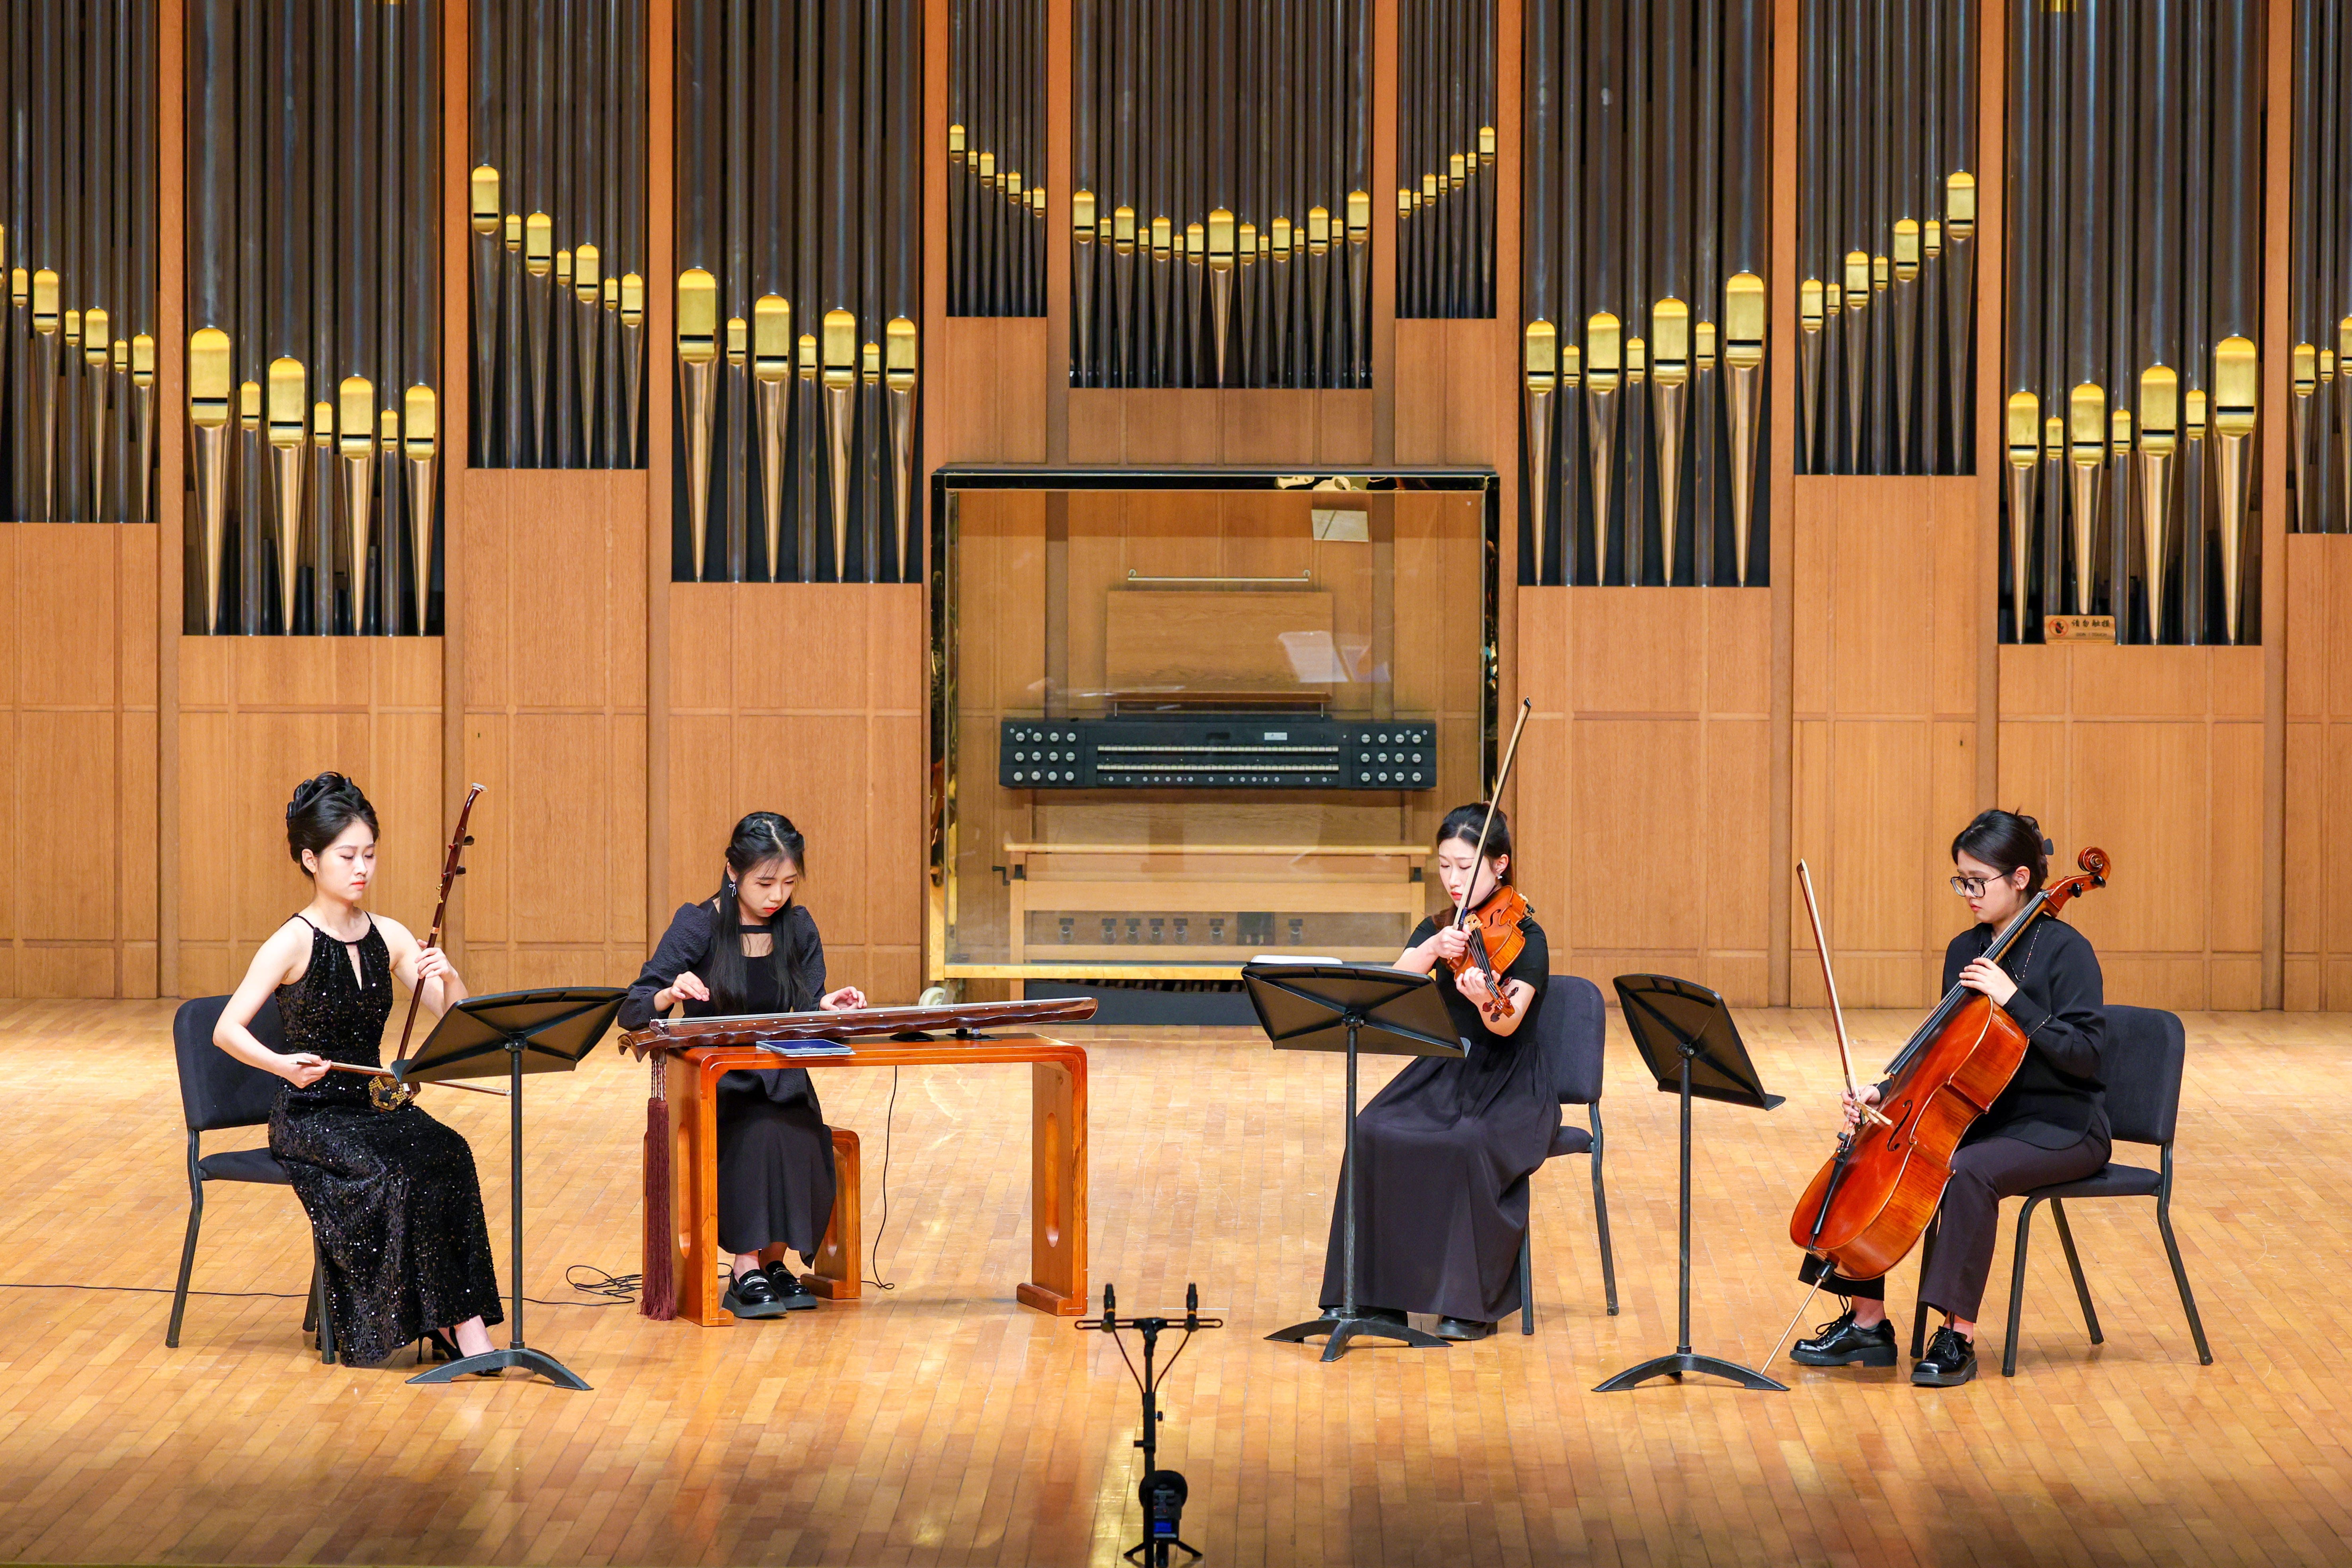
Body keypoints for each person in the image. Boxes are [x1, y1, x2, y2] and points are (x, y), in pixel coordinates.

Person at [1792, 808, 2109, 1387]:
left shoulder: (2068, 951)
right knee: (1871, 1148)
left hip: (2061, 1125)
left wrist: (2014, 999)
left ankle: (1955, 1335)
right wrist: (1884, 1091)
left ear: (2020, 878)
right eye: (1961, 881)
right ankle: (1868, 1323)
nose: (1968, 894)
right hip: (1983, 1114)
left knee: (1966, 1172)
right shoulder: (1966, 947)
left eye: (1977, 882)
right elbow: (1944, 1049)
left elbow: (2086, 1055)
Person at [212, 773, 504, 1371]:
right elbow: (226, 1030)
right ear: (311, 860)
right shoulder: (291, 942)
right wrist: (281, 1065)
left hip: (373, 1104)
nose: (362, 868)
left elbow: (455, 1019)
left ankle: (454, 1318)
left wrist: (449, 975)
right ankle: (452, 1325)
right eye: (347, 857)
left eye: (369, 854)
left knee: (450, 1151)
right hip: (311, 1114)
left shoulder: (389, 936)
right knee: (393, 1171)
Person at [1316, 803, 1556, 1341]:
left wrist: (1484, 998)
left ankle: (1469, 1304)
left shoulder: (1527, 937)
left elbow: (1506, 1023)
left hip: (1510, 1082)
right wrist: (1428, 948)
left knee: (1466, 1142)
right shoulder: (1440, 927)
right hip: (1444, 1069)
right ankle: (1373, 1297)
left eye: (1465, 867)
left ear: (1500, 865)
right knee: (1371, 1129)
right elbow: (1392, 989)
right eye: (1445, 866)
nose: (1453, 879)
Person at [621, 812, 865, 1319]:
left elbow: (806, 1005)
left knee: (802, 1131)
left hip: (782, 1078)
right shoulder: (699, 924)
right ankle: (744, 1268)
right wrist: (670, 993)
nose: (777, 896)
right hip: (717, 1085)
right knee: (759, 1132)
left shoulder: (798, 927)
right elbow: (635, 1006)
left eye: (789, 883)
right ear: (733, 872)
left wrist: (826, 1008)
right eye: (765, 883)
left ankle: (775, 1264)